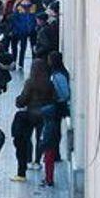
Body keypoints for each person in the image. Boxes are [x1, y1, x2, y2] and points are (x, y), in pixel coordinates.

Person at [15, 59, 56, 173]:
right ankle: (37, 161)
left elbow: (24, 97)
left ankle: (28, 159)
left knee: (28, 137)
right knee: (40, 137)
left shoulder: (30, 82)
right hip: (44, 114)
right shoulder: (49, 83)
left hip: (31, 113)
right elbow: (54, 98)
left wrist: (18, 102)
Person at [43, 51, 71, 186]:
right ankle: (56, 154)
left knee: (52, 134)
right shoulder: (58, 73)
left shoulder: (58, 75)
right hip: (56, 108)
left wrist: (56, 98)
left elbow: (65, 93)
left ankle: (53, 156)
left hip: (56, 108)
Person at [9, 0, 38, 67]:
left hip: (32, 30)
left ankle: (34, 62)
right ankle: (19, 63)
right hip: (21, 30)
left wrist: (34, 26)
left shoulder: (34, 6)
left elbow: (35, 17)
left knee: (33, 47)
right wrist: (19, 28)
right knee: (22, 46)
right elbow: (15, 19)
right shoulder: (18, 7)